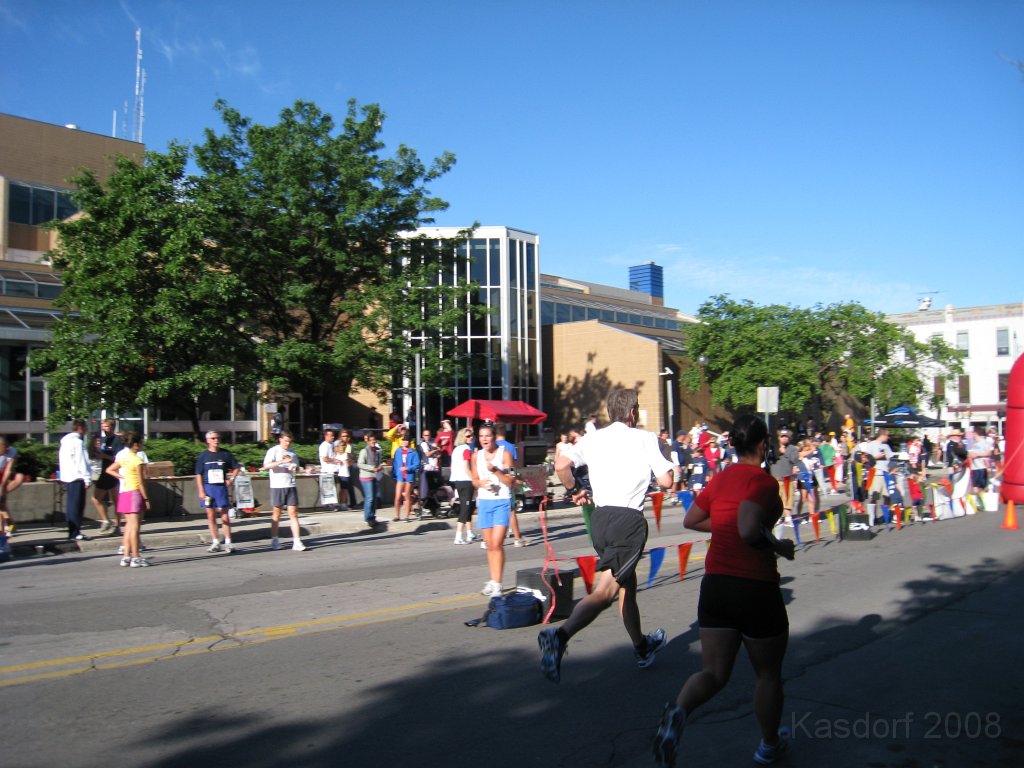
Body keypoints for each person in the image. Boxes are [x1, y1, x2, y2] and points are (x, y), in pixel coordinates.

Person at [652, 414, 795, 767]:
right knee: (767, 674)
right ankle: (769, 744)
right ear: (763, 445)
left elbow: (692, 520)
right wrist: (778, 546)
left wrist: (730, 523)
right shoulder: (763, 483)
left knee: (713, 673)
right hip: (755, 586)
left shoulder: (721, 477)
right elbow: (748, 528)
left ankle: (678, 714)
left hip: (716, 585)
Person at [540, 387, 674, 683]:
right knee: (606, 592)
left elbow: (561, 465)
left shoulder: (592, 438)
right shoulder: (645, 438)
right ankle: (559, 637)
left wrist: (575, 490)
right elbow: (667, 481)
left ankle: (641, 646)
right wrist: (665, 454)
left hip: (600, 520)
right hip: (628, 521)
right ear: (633, 412)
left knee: (628, 586)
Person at [472, 424, 515, 595]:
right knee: (490, 545)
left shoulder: (504, 453)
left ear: (494, 437)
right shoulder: (476, 456)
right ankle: (493, 580)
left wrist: (496, 470)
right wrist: (481, 483)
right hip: (484, 501)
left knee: (497, 543)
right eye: (481, 436)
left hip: (501, 501)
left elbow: (511, 481)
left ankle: (498, 583)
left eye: (488, 436)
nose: (484, 439)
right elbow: (474, 480)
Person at [106, 432, 151, 567]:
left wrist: (122, 477)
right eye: (141, 443)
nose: (142, 445)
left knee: (129, 527)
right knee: (135, 528)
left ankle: (126, 556)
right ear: (136, 444)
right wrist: (147, 499)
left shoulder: (124, 457)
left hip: (125, 492)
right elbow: (141, 482)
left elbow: (109, 470)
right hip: (135, 493)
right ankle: (136, 557)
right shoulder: (137, 460)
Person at [195, 431, 241, 553]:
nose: (216, 440)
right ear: (208, 440)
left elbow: (237, 467)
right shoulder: (203, 456)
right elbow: (198, 474)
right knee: (211, 515)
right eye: (213, 438)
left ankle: (228, 542)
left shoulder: (225, 454)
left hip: (220, 488)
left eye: (218, 438)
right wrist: (201, 491)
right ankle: (215, 542)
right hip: (208, 488)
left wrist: (231, 479)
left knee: (224, 515)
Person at [263, 431, 307, 551]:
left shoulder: (292, 452)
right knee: (277, 513)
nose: (288, 443)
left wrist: (295, 467)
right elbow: (266, 466)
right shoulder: (274, 451)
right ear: (280, 439)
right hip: (278, 485)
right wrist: (281, 462)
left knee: (293, 513)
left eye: (290, 441)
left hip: (290, 484)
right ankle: (275, 539)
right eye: (286, 440)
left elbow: (297, 467)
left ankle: (297, 541)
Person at [58, 418, 92, 541]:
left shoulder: (65, 442)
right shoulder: (78, 443)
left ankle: (73, 531)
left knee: (71, 505)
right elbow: (81, 461)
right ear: (81, 428)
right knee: (77, 506)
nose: (86, 430)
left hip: (68, 477)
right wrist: (87, 478)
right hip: (77, 477)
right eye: (86, 428)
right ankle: (75, 532)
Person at [90, 419, 123, 534]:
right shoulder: (103, 439)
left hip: (113, 473)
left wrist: (105, 456)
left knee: (114, 501)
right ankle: (107, 520)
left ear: (112, 427)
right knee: (97, 499)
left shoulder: (117, 440)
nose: (103, 428)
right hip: (104, 472)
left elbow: (119, 459)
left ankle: (115, 524)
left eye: (106, 426)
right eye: (102, 426)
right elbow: (98, 453)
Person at [767, 430, 800, 525]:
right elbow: (768, 459)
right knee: (776, 499)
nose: (784, 438)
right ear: (778, 437)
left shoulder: (792, 448)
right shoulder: (772, 447)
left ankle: (788, 518)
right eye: (782, 436)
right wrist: (775, 451)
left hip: (787, 478)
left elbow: (795, 460)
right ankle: (777, 518)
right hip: (775, 477)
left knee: (788, 498)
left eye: (786, 436)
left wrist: (785, 453)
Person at [450, 428, 476, 544]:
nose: (471, 437)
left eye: (471, 435)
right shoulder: (466, 450)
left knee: (467, 505)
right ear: (463, 437)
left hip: (457, 481)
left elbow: (452, 467)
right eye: (468, 436)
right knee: (465, 508)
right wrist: (474, 479)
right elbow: (467, 468)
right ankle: (458, 536)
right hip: (466, 481)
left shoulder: (456, 450)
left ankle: (470, 532)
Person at [356, 433, 385, 527]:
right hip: (365, 477)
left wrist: (379, 468)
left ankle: (372, 516)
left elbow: (377, 464)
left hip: (374, 476)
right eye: (371, 440)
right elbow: (360, 464)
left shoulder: (376, 451)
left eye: (374, 440)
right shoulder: (364, 451)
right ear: (368, 441)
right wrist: (372, 468)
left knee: (374, 499)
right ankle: (368, 517)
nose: (373, 442)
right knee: (370, 498)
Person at [392, 434, 420, 522]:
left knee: (407, 496)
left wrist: (408, 468)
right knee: (397, 496)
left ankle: (407, 516)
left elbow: (417, 464)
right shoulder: (398, 451)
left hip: (408, 476)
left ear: (409, 442)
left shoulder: (413, 452)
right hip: (400, 476)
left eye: (406, 440)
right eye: (403, 440)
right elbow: (395, 464)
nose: (404, 442)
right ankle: (397, 515)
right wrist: (394, 474)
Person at [318, 428, 344, 510]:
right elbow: (324, 459)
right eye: (331, 435)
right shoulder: (324, 446)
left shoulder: (332, 444)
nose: (333, 437)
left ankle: (333, 504)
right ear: (326, 436)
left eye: (333, 435)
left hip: (334, 470)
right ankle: (328, 505)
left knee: (333, 488)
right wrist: (334, 460)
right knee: (329, 489)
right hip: (327, 471)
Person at [0, 437, 19, 534]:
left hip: (2, 478)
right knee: (3, 509)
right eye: (4, 447)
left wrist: (2, 487)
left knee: (3, 508)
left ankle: (8, 531)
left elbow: (8, 470)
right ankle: (9, 530)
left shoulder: (11, 451)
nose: (7, 449)